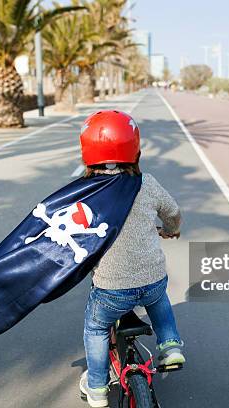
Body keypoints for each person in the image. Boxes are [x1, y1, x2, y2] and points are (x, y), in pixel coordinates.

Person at [78, 110, 185, 407]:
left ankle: (98, 387)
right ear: (134, 149)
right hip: (151, 280)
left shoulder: (84, 191)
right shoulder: (146, 183)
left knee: (97, 327)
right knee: (158, 298)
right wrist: (170, 230)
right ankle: (170, 345)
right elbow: (173, 213)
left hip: (111, 289)